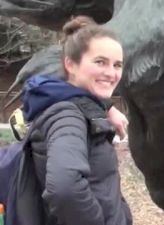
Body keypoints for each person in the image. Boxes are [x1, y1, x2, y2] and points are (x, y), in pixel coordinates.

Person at [20, 15, 132, 225]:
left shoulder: (78, 105)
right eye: (100, 62)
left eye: (117, 65)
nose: (111, 73)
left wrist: (108, 108)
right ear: (70, 64)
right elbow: (64, 188)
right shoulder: (67, 116)